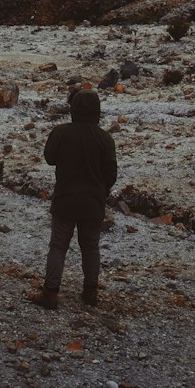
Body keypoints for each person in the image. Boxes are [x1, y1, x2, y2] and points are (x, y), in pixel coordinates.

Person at [31, 88, 117, 309]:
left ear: (73, 109)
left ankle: (50, 293)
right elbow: (111, 175)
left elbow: (50, 158)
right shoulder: (104, 139)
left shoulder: (61, 132)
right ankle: (90, 293)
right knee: (90, 247)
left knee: (58, 246)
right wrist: (100, 191)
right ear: (97, 111)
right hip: (93, 202)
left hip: (65, 199)